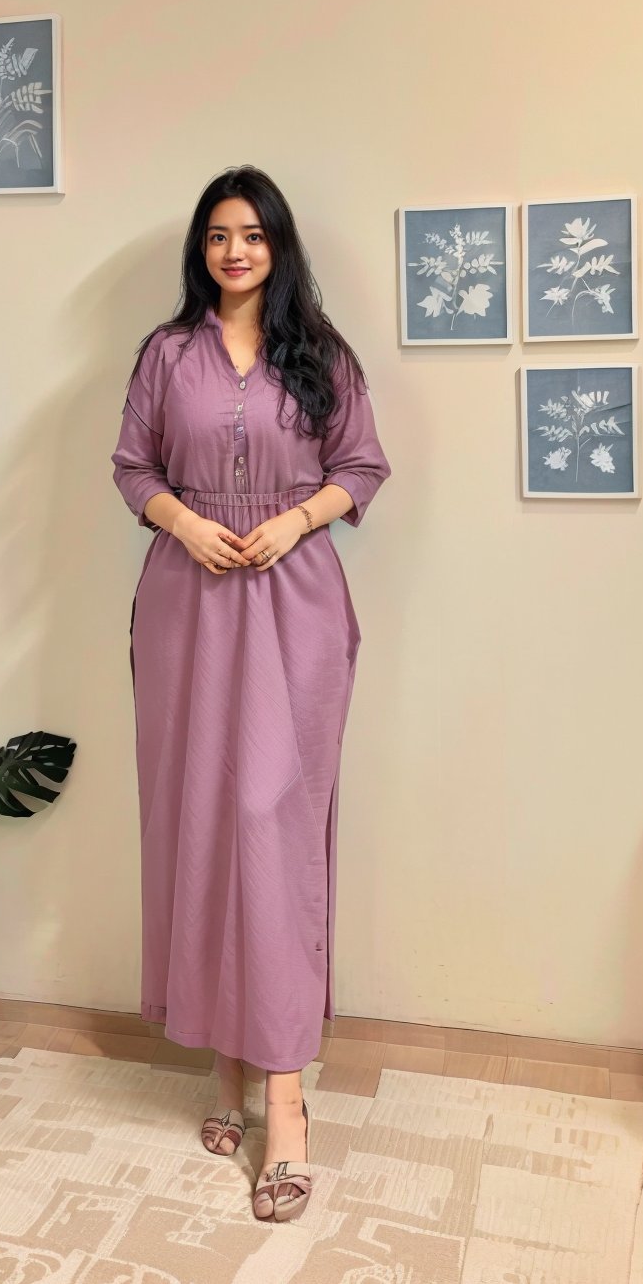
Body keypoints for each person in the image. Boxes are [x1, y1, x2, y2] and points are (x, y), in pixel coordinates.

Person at [111, 164, 391, 1222]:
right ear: (202, 248)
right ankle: (220, 1069)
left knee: (273, 832)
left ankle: (284, 1102)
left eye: (252, 234)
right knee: (197, 826)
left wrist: (293, 521)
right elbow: (133, 469)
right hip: (185, 606)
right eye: (218, 235)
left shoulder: (320, 356)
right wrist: (183, 521)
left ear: (278, 245)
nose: (234, 250)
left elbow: (360, 467)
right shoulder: (165, 354)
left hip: (293, 603)